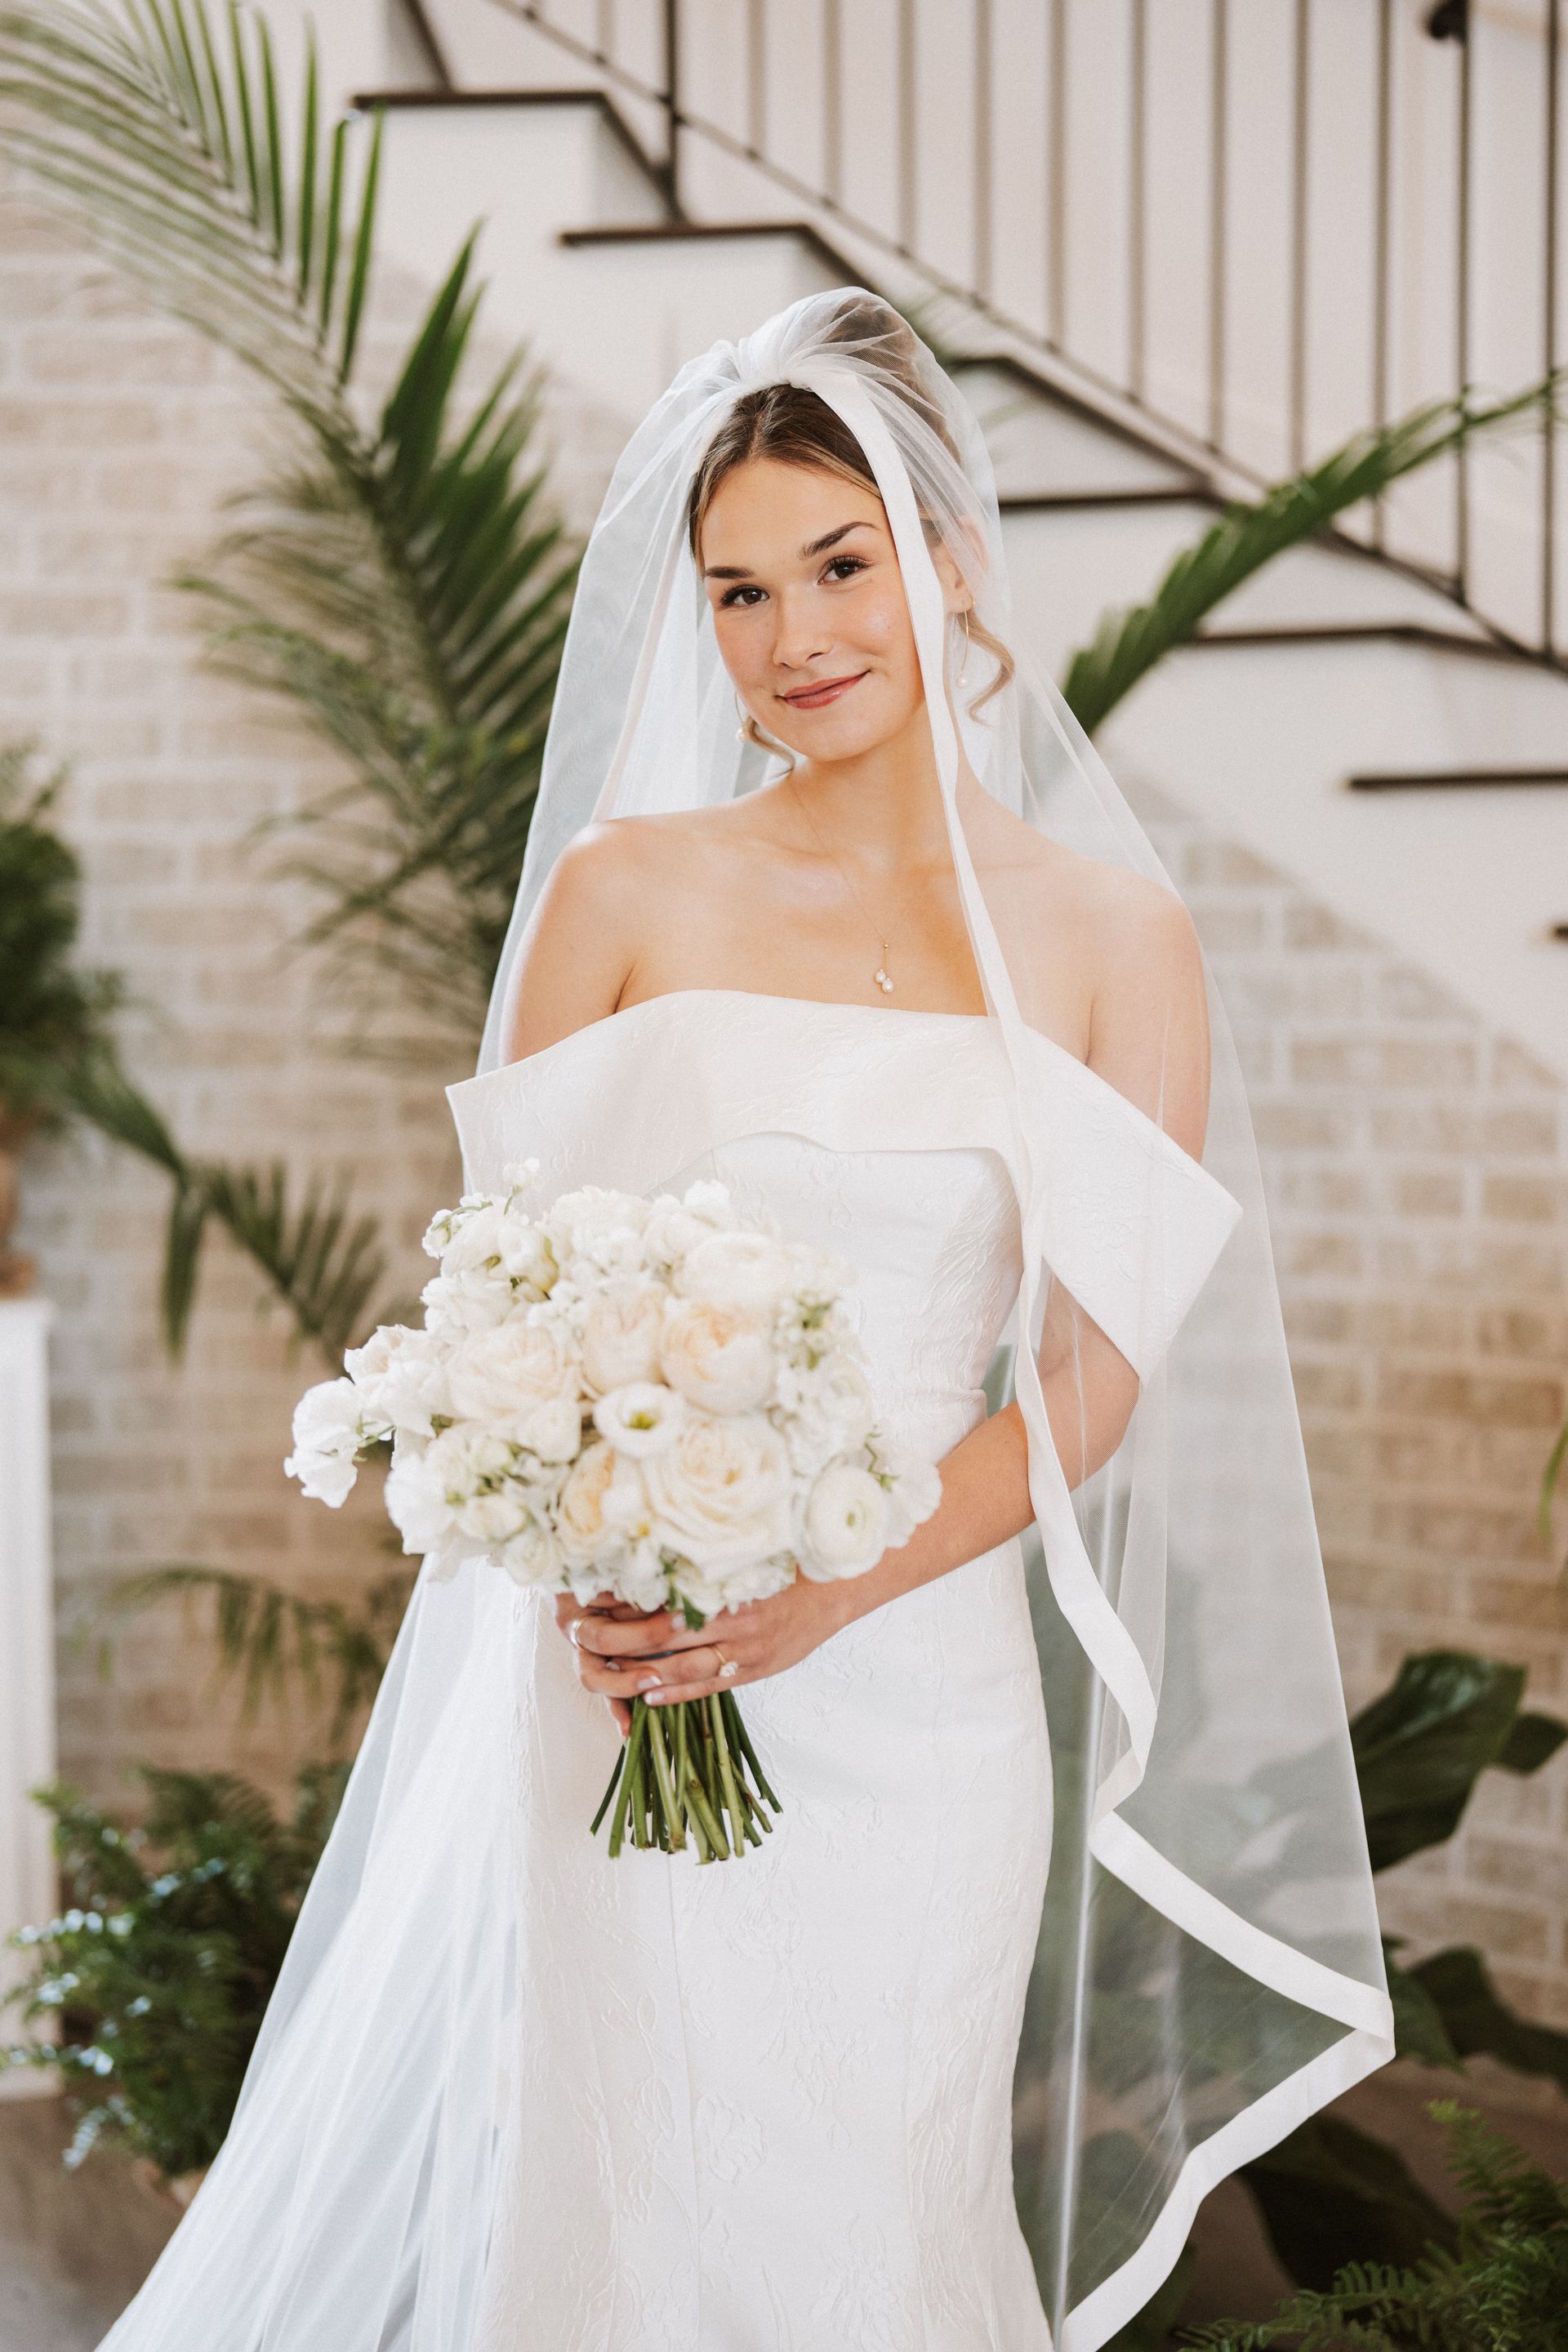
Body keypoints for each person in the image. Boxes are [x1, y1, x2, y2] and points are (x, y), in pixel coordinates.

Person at [96, 290, 1392, 2352]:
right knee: (629, 2187)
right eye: (740, 591)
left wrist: (823, 1590)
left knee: (880, 2206)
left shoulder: (1111, 937)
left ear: (944, 560)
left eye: (844, 563)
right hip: (637, 1675)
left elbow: (1090, 1370)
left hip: (921, 1687)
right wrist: (613, 1549)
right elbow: (506, 1296)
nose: (799, 634)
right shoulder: (627, 891)